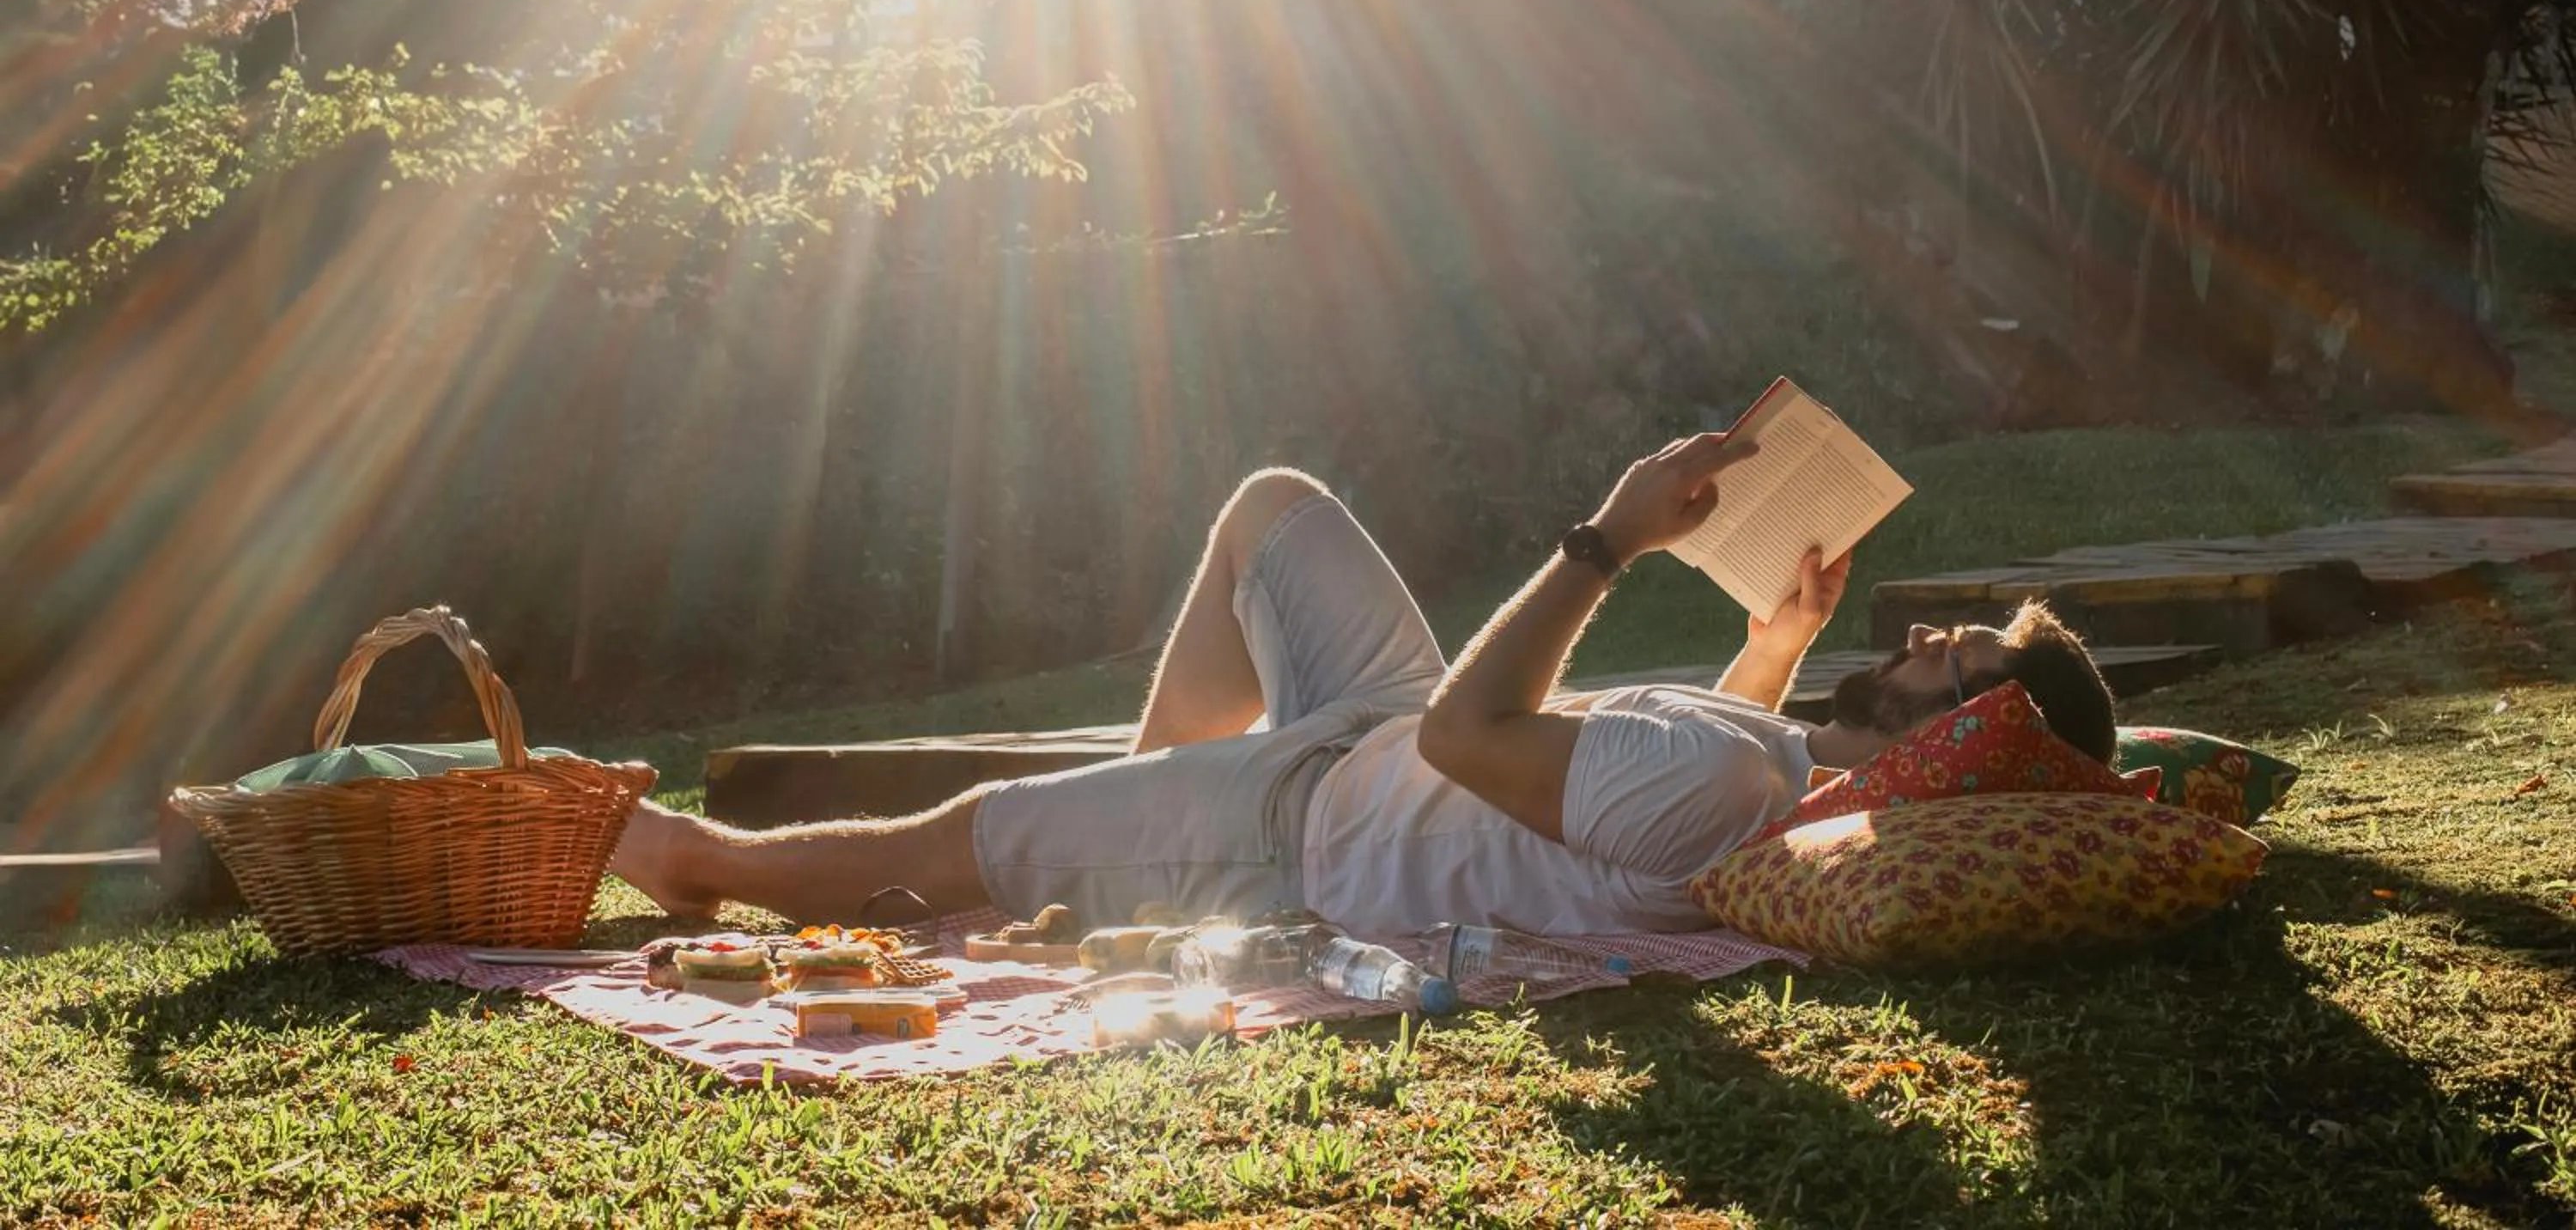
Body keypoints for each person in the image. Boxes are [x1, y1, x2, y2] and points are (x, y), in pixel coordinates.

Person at [611, 431, 2117, 935]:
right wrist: (1778, 643)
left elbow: (1481, 740)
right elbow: (1644, 782)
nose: (1925, 643)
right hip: (1371, 737)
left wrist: (1609, 535)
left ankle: (711, 863)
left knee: (958, 838)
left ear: (1974, 735)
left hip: (1305, 826)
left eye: (1956, 664)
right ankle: (1120, 826)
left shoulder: (1735, 790)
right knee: (1276, 507)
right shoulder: (1776, 778)